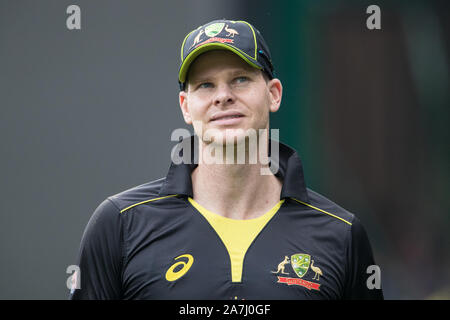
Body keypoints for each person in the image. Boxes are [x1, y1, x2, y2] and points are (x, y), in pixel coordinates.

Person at [69, 19, 383, 300]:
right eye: (206, 84)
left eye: (240, 79)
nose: (223, 96)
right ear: (186, 106)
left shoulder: (341, 234)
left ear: (273, 94)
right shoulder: (120, 225)